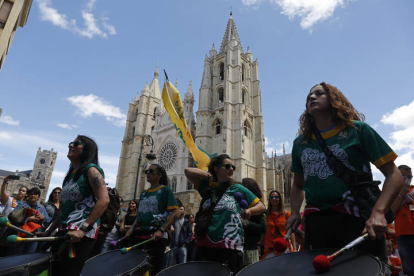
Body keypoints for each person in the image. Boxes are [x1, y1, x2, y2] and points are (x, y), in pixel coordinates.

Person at [286, 82, 404, 263]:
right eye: (309, 95)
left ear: (334, 99)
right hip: (317, 224)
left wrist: (379, 212)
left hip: (357, 221)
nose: (311, 97)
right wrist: (295, 213)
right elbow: (298, 185)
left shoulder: (358, 130)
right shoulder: (300, 143)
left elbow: (394, 175)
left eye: (319, 93)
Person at [185, 154, 265, 274]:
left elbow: (261, 206)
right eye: (227, 166)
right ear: (216, 168)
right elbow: (188, 171)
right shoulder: (206, 187)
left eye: (233, 167)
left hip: (229, 247)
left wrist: (249, 211)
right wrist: (209, 176)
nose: (231, 169)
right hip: (204, 246)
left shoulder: (238, 188)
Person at [51, 135, 110, 276]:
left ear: (87, 149)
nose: (71, 145)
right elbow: (63, 209)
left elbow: (104, 200)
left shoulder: (92, 170)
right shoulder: (69, 176)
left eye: (76, 144)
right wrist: (49, 231)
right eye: (71, 143)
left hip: (80, 233)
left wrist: (83, 229)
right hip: (64, 230)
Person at [126, 164, 180, 275]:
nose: (148, 173)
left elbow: (176, 212)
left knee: (152, 269)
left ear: (159, 175)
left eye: (151, 171)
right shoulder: (144, 193)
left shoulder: (166, 190)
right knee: (135, 269)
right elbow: (141, 213)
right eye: (147, 171)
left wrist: (161, 230)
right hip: (139, 234)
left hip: (156, 236)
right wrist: (132, 228)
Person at [9, 187, 50, 255]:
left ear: (38, 196)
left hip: (34, 237)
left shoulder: (42, 208)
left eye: (35, 194)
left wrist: (43, 218)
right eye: (31, 194)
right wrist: (28, 219)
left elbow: (48, 221)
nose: (33, 195)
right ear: (28, 195)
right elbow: (12, 217)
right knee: (17, 256)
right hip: (21, 235)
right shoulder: (22, 204)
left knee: (28, 257)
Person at [391, 165, 414, 276]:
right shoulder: (391, 193)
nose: (408, 179)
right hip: (403, 237)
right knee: (409, 270)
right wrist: (401, 194)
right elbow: (390, 213)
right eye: (404, 176)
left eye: (410, 176)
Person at [261, 190, 296, 259]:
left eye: (276, 197)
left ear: (280, 199)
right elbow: (263, 231)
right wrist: (259, 245)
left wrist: (294, 248)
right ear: (269, 200)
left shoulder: (286, 214)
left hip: (284, 248)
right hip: (270, 249)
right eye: (271, 197)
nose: (274, 199)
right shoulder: (265, 214)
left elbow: (291, 232)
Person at [241, 178, 267, 266]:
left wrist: (247, 223)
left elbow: (263, 228)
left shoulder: (259, 208)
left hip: (250, 249)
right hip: (237, 248)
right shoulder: (240, 204)